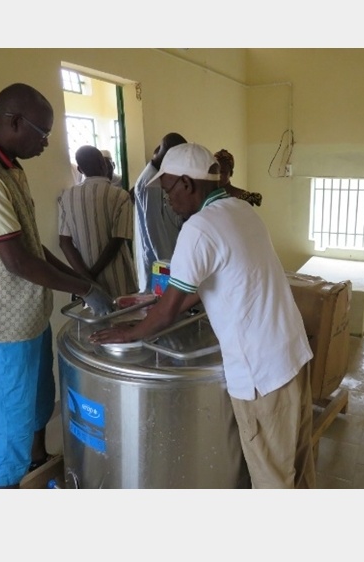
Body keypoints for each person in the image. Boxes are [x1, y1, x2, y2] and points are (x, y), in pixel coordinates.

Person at [90, 143, 316, 489]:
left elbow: (167, 314)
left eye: (168, 192)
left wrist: (131, 332)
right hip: (293, 356)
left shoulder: (198, 228)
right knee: (298, 466)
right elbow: (219, 278)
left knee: (272, 478)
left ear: (186, 183)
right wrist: (163, 303)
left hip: (263, 375)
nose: (168, 201)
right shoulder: (241, 210)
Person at [0, 82, 111, 488]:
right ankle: (7, 485)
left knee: (38, 408)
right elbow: (17, 261)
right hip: (0, 327)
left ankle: (39, 465)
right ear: (14, 121)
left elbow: (32, 246)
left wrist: (82, 281)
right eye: (43, 132)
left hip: (30, 316)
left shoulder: (9, 168)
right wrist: (86, 290)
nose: (47, 143)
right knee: (10, 430)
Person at [58, 145, 138, 299]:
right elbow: (118, 240)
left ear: (80, 170)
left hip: (86, 282)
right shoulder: (120, 196)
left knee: (94, 319)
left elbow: (64, 243)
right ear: (104, 164)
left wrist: (86, 278)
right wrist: (93, 275)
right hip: (118, 278)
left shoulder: (66, 197)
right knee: (124, 319)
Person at [132, 133, 187, 292]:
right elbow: (154, 231)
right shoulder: (150, 183)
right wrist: (170, 267)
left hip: (167, 260)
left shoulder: (158, 177)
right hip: (161, 265)